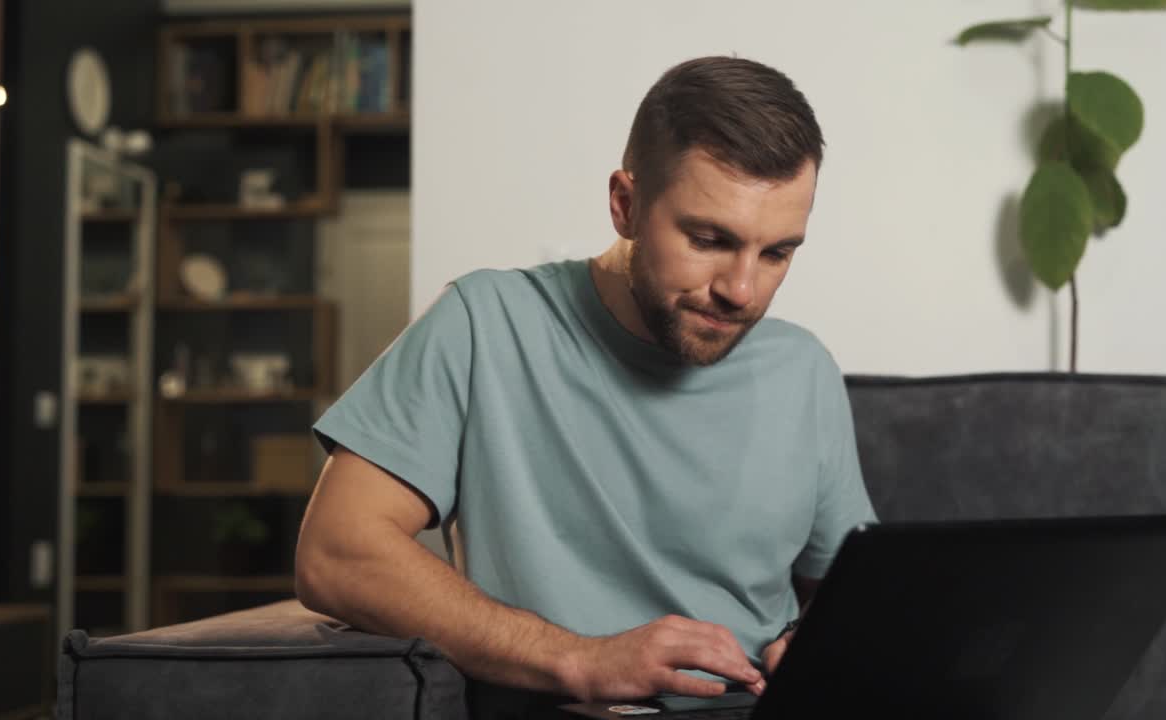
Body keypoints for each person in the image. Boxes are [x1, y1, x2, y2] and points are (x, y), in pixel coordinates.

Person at [295, 55, 877, 717]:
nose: (742, 290)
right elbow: (336, 553)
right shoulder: (485, 323)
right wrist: (577, 658)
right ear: (625, 204)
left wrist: (813, 643)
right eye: (710, 239)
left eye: (777, 252)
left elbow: (856, 597)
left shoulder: (802, 369)